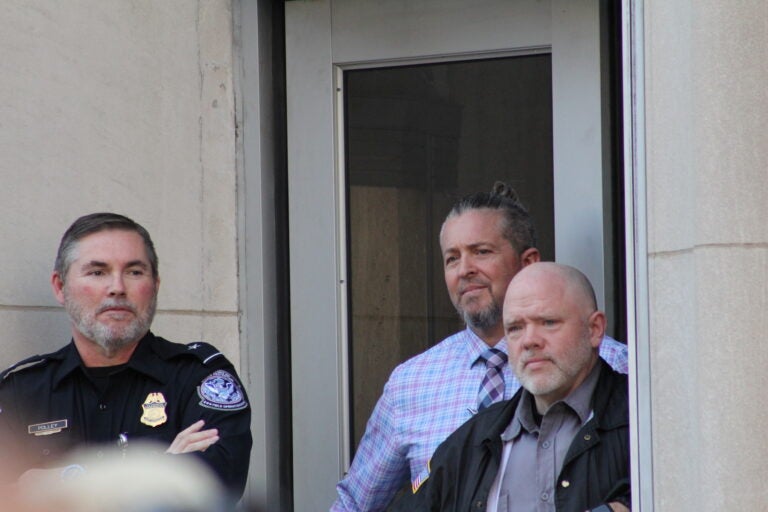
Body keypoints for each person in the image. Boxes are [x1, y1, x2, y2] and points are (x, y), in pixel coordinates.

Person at [331, 183, 628, 511]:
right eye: (452, 258)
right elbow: (354, 504)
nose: (464, 270)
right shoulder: (410, 383)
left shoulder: (614, 367)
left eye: (481, 251)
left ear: (527, 262)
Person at [0, 213, 252, 500]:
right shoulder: (19, 392)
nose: (117, 287)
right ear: (60, 287)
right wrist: (163, 467)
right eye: (97, 272)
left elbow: (211, 492)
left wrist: (43, 484)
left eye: (134, 272)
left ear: (155, 285)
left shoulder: (198, 379)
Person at [392, 262, 630, 511]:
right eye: (515, 328)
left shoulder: (644, 421)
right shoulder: (473, 440)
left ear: (594, 329)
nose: (529, 341)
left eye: (548, 322)